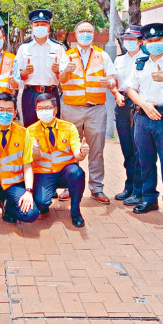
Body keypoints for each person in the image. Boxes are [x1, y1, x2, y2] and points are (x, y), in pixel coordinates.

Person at [58, 20, 122, 204]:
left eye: (89, 31)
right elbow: (60, 80)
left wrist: (109, 83)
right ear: (76, 35)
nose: (85, 34)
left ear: (93, 35)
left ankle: (96, 188)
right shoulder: (67, 55)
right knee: (70, 148)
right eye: (82, 31)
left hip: (96, 109)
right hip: (71, 108)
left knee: (97, 150)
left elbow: (113, 78)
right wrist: (66, 72)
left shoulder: (102, 55)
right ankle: (69, 187)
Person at [125, 23, 163, 222]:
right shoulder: (139, 63)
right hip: (142, 116)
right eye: (149, 41)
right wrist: (145, 105)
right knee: (145, 161)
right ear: (144, 43)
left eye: (157, 40)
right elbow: (130, 89)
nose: (153, 44)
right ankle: (149, 198)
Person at [0, 92, 38, 236]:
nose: (5, 113)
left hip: (14, 184)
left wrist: (28, 191)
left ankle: (9, 207)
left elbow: (28, 166)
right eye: (1, 110)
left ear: (15, 112)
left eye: (9, 110)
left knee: (31, 215)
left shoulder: (24, 133)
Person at [28, 93, 89, 227]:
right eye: (40, 108)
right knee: (42, 204)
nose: (44, 111)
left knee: (77, 173)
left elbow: (77, 154)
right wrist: (36, 152)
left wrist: (82, 152)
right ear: (36, 110)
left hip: (65, 172)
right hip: (44, 174)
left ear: (55, 110)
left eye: (47, 108)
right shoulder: (31, 131)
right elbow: (34, 158)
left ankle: (75, 211)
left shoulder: (69, 127)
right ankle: (45, 199)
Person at [15, 9, 65, 127]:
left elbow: (64, 76)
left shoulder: (58, 47)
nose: (40, 27)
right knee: (30, 128)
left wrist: (58, 72)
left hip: (51, 92)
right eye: (37, 24)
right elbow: (17, 74)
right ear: (32, 27)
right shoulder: (24, 48)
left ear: (49, 26)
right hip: (30, 94)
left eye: (43, 24)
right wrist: (25, 72)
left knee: (52, 128)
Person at [113, 25, 146, 205]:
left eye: (133, 39)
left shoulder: (147, 59)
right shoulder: (119, 60)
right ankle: (129, 186)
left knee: (139, 148)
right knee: (127, 148)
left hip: (140, 104)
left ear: (141, 41)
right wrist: (115, 93)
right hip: (122, 103)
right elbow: (115, 82)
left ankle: (140, 190)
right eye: (126, 39)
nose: (129, 42)